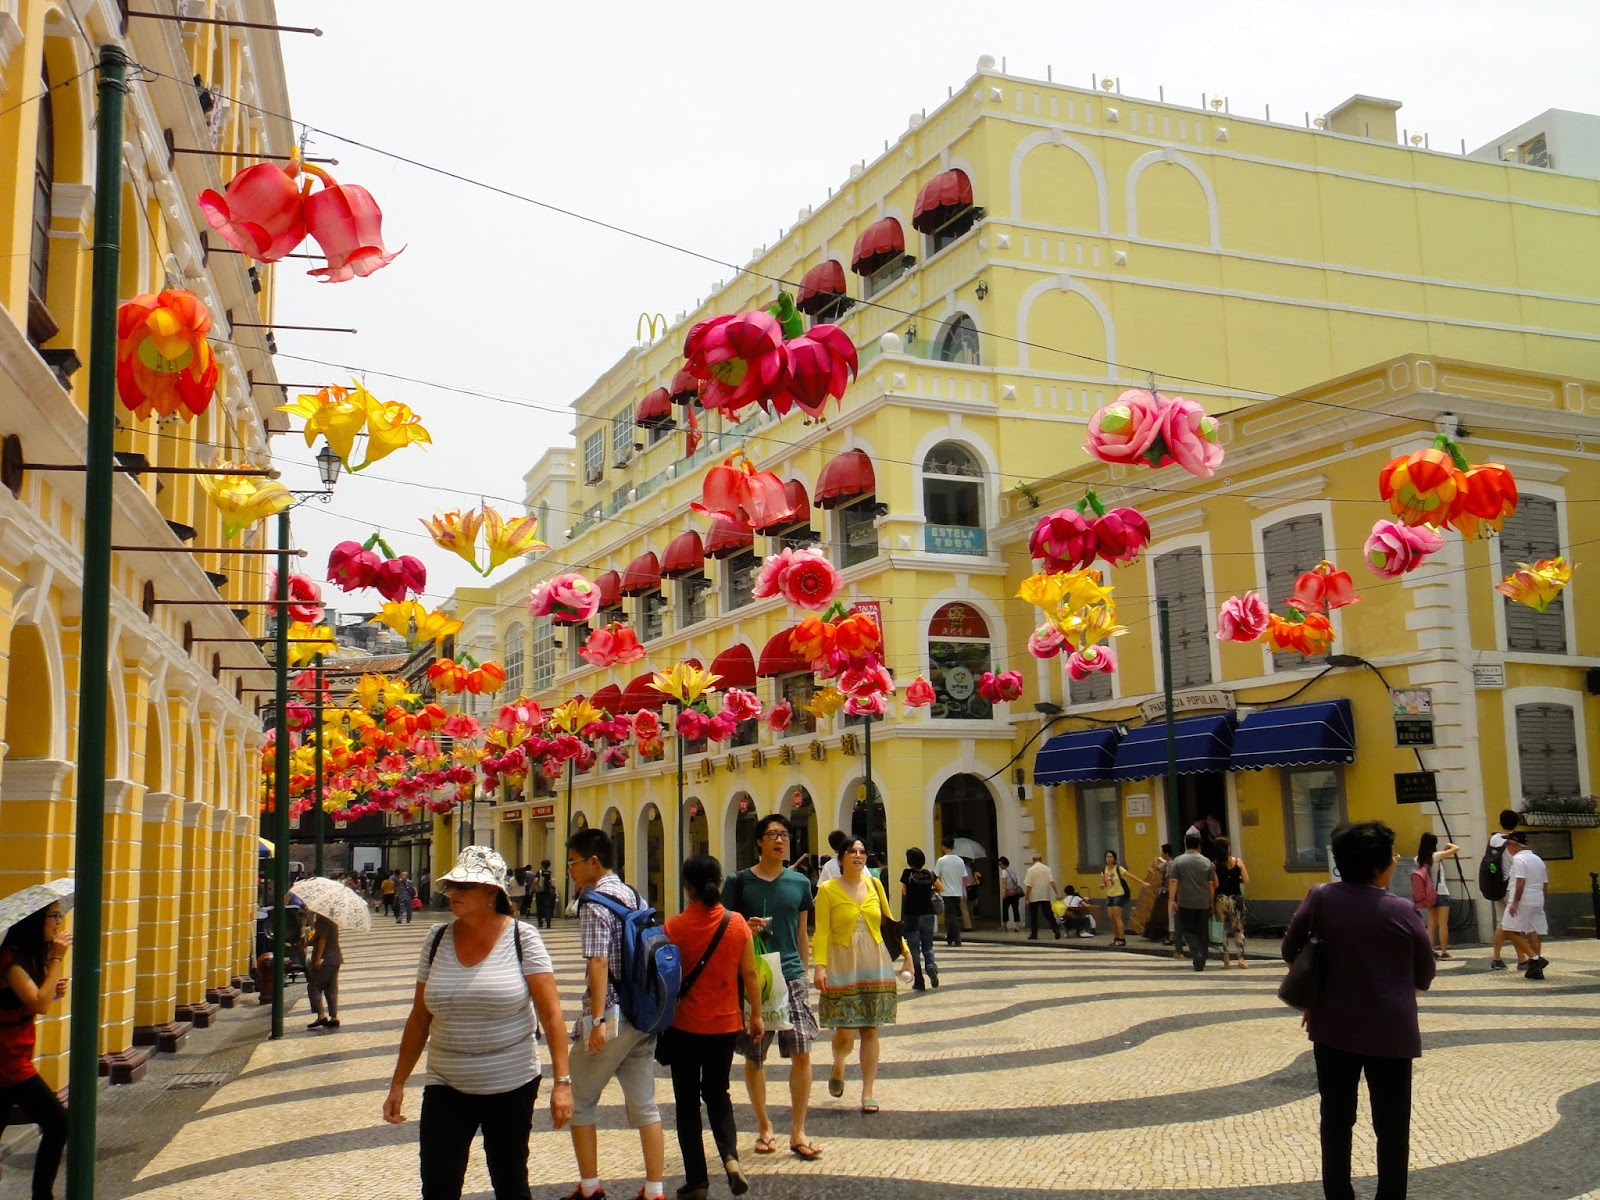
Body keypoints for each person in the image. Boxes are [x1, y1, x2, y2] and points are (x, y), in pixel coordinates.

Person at [384, 845, 571, 1200]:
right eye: (453, 885)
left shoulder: (522, 938)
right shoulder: (436, 939)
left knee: (510, 1182)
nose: (454, 892)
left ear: (491, 893)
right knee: (438, 1185)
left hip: (511, 1082)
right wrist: (398, 1083)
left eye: (465, 885)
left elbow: (551, 1014)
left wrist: (562, 1082)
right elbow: (419, 1017)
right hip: (446, 1081)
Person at [1282, 820, 1435, 1200]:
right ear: (1381, 867)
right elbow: (1425, 973)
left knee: (1336, 1120)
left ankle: (1339, 1195)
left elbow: (1289, 950)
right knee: (1392, 1127)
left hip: (1332, 1027)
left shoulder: (1319, 898)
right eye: (1392, 856)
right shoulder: (1403, 911)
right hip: (1391, 1033)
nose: (1396, 860)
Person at [559, 828, 665, 1200]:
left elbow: (598, 962)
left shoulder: (593, 902)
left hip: (613, 1016)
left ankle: (590, 1188)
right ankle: (654, 1189)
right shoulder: (633, 894)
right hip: (643, 1013)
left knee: (580, 1102)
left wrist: (598, 1021)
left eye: (572, 863)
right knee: (645, 1105)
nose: (570, 871)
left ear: (593, 862)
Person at [662, 855, 764, 1200]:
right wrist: (756, 1015)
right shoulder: (736, 924)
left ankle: (697, 1180)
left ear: (687, 887)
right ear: (720, 882)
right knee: (718, 1093)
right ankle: (730, 1157)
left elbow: (665, 978)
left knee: (687, 1103)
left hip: (684, 1027)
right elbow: (750, 974)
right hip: (725, 1025)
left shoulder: (673, 927)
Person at [723, 813, 821, 1162]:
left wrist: (805, 972)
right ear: (759, 841)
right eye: (772, 834)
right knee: (755, 1055)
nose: (780, 840)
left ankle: (798, 1130)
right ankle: (764, 1126)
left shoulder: (800, 883)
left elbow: (802, 933)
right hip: (755, 976)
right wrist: (743, 928)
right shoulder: (739, 882)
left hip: (791, 975)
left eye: (784, 835)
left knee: (802, 1051)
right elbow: (723, 927)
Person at [814, 838, 908, 1115]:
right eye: (852, 851)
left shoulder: (875, 885)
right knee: (845, 1031)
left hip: (874, 960)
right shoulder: (828, 890)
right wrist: (819, 966)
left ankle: (868, 1092)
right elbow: (821, 930)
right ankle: (838, 1064)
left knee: (870, 1028)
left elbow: (889, 922)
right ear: (841, 857)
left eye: (862, 851)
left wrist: (907, 954)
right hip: (842, 962)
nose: (858, 855)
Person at [0, 902, 71, 1200]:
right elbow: (38, 1003)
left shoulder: (28, 956)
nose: (59, 921)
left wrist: (53, 989)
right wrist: (57, 958)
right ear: (35, 921)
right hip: (8, 1060)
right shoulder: (10, 959)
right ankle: (42, 1196)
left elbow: (37, 999)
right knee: (58, 1122)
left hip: (16, 1053)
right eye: (54, 916)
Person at [1502, 830, 1550, 980]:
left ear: (1514, 844)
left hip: (1523, 899)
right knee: (1532, 931)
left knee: (1508, 930)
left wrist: (1515, 902)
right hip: (1537, 897)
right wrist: (1541, 899)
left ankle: (1535, 959)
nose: (1507, 847)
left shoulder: (1519, 859)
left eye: (1508, 844)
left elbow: (1520, 881)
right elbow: (1545, 883)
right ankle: (1536, 969)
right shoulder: (1537, 859)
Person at [1167, 833, 1217, 971]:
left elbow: (1173, 881)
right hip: (1203, 902)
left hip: (1185, 901)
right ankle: (1202, 956)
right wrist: (1211, 901)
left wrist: (1171, 900)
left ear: (1186, 845)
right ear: (1199, 845)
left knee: (1188, 929)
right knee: (1202, 930)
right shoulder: (1207, 862)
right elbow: (1211, 884)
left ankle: (1196, 952)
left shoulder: (1178, 861)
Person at [899, 847, 941, 990]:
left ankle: (919, 980)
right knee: (928, 946)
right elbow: (940, 888)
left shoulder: (907, 874)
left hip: (912, 915)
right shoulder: (929, 874)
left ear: (909, 861)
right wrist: (928, 890)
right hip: (928, 914)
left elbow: (904, 892)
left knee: (914, 949)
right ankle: (931, 966)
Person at [1413, 832, 1459, 960]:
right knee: (1443, 924)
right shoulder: (1437, 856)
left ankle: (1431, 950)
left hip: (1428, 894)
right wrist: (1448, 845)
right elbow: (1456, 848)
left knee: (1432, 923)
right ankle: (1444, 952)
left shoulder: (1417, 859)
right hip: (1441, 892)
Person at [1485, 809, 1520, 970]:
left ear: (1500, 822)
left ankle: (1497, 958)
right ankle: (1522, 959)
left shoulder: (1494, 839)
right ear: (1516, 823)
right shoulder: (1516, 841)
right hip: (1511, 886)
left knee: (1501, 922)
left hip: (1497, 885)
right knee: (1516, 924)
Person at [1211, 838, 1249, 969]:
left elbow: (1215, 884)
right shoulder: (1238, 862)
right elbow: (1246, 879)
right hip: (1236, 898)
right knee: (1238, 929)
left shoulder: (1214, 865)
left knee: (1222, 930)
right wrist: (1236, 879)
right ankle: (1241, 959)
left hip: (1221, 899)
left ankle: (1226, 962)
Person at [305, 912, 343, 1030]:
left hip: (325, 960)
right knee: (331, 987)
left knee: (314, 986)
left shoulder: (322, 920)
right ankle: (334, 1017)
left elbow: (322, 939)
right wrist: (307, 943)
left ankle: (321, 1015)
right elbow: (320, 937)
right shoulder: (333, 920)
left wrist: (318, 958)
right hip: (335, 958)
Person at [1099, 850, 1139, 947]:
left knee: (1117, 917)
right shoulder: (1104, 870)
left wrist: (1142, 883)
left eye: (1111, 857)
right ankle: (1116, 938)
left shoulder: (1118, 868)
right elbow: (1105, 883)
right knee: (1112, 918)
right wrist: (1102, 886)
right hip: (1110, 895)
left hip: (1119, 894)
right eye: (1107, 857)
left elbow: (1130, 876)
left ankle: (1122, 938)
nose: (1109, 859)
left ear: (1114, 858)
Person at [932, 840, 967, 946]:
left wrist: (936, 888)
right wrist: (963, 892)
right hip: (958, 892)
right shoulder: (960, 861)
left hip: (946, 892)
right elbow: (964, 878)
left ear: (944, 847)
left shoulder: (941, 860)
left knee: (951, 916)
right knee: (954, 914)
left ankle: (956, 937)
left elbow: (934, 876)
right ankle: (950, 937)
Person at [1022, 852, 1061, 940]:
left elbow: (1029, 885)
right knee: (1049, 914)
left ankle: (1034, 934)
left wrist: (1026, 896)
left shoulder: (1030, 870)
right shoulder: (1047, 869)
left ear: (1033, 860)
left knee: (1033, 916)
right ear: (1041, 860)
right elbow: (1052, 882)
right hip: (1045, 895)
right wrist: (1056, 893)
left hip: (1033, 897)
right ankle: (1056, 929)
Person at [998, 856, 1023, 932]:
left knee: (1005, 909)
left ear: (1004, 864)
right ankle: (1017, 926)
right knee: (1015, 909)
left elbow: (1004, 882)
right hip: (1015, 893)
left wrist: (1003, 892)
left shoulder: (1004, 871)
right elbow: (1016, 880)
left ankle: (1005, 926)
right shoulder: (1012, 870)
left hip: (1008, 893)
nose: (1000, 866)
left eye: (1000, 864)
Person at [533, 860, 558, 930]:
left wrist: (532, 888)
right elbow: (549, 882)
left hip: (539, 892)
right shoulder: (549, 873)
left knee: (539, 907)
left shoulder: (539, 872)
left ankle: (540, 922)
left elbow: (535, 880)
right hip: (547, 892)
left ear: (543, 865)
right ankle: (548, 922)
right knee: (547, 907)